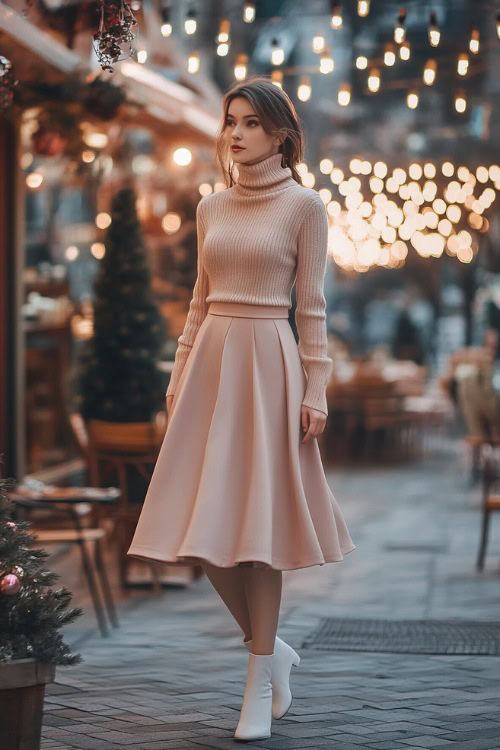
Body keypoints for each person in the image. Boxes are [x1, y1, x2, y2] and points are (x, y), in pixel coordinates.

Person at [127, 75, 356, 742]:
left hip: (271, 363)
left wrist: (316, 388)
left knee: (261, 532)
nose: (236, 133)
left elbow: (311, 307)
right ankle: (272, 648)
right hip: (210, 366)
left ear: (282, 133)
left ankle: (259, 678)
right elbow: (199, 302)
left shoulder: (305, 206)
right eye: (231, 120)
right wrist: (178, 373)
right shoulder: (210, 207)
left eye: (251, 123)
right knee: (202, 529)